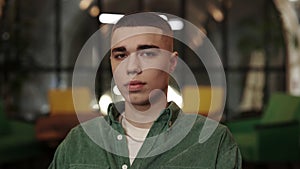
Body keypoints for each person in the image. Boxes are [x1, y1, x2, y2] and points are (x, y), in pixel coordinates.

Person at [49, 12, 242, 169]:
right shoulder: (78, 141)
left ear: (171, 63)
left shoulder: (213, 141)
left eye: (147, 53)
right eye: (120, 55)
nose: (132, 67)